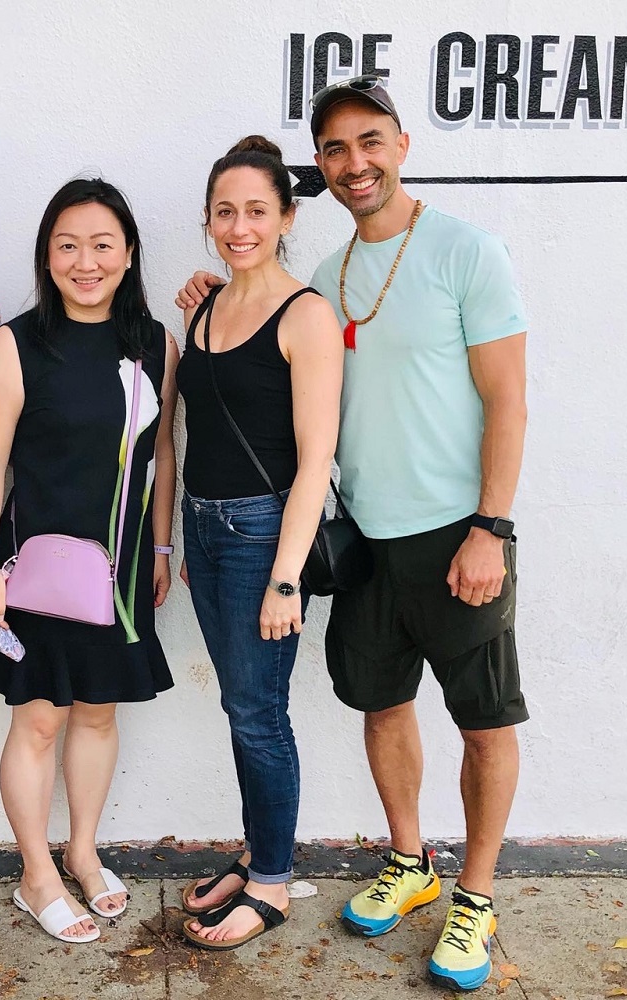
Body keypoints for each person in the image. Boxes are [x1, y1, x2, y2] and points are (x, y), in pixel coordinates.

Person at [177, 78, 528, 991]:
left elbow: (508, 400)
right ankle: (411, 863)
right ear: (320, 169)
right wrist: (218, 286)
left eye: (370, 141)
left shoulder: (467, 251)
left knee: (484, 721)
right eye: (335, 149)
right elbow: (266, 333)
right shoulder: (327, 276)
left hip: (457, 531)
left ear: (403, 144)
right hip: (365, 538)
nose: (354, 162)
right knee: (383, 704)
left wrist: (491, 525)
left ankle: (476, 897)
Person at [0, 177, 178, 944]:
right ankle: (35, 874)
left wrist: (160, 546)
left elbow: (161, 452)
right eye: (68, 246)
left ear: (129, 254)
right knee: (39, 720)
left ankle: (82, 851)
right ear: (47, 256)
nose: (86, 262)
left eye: (102, 245)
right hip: (38, 569)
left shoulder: (156, 343)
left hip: (120, 570)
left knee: (97, 711)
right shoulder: (16, 344)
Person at [176, 136, 343, 951]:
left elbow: (316, 461)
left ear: (286, 217)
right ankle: (256, 850)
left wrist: (285, 578)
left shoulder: (306, 315)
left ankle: (273, 881)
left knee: (259, 713)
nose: (238, 227)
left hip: (261, 538)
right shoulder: (204, 305)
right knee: (240, 706)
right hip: (203, 526)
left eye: (255, 211)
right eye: (224, 212)